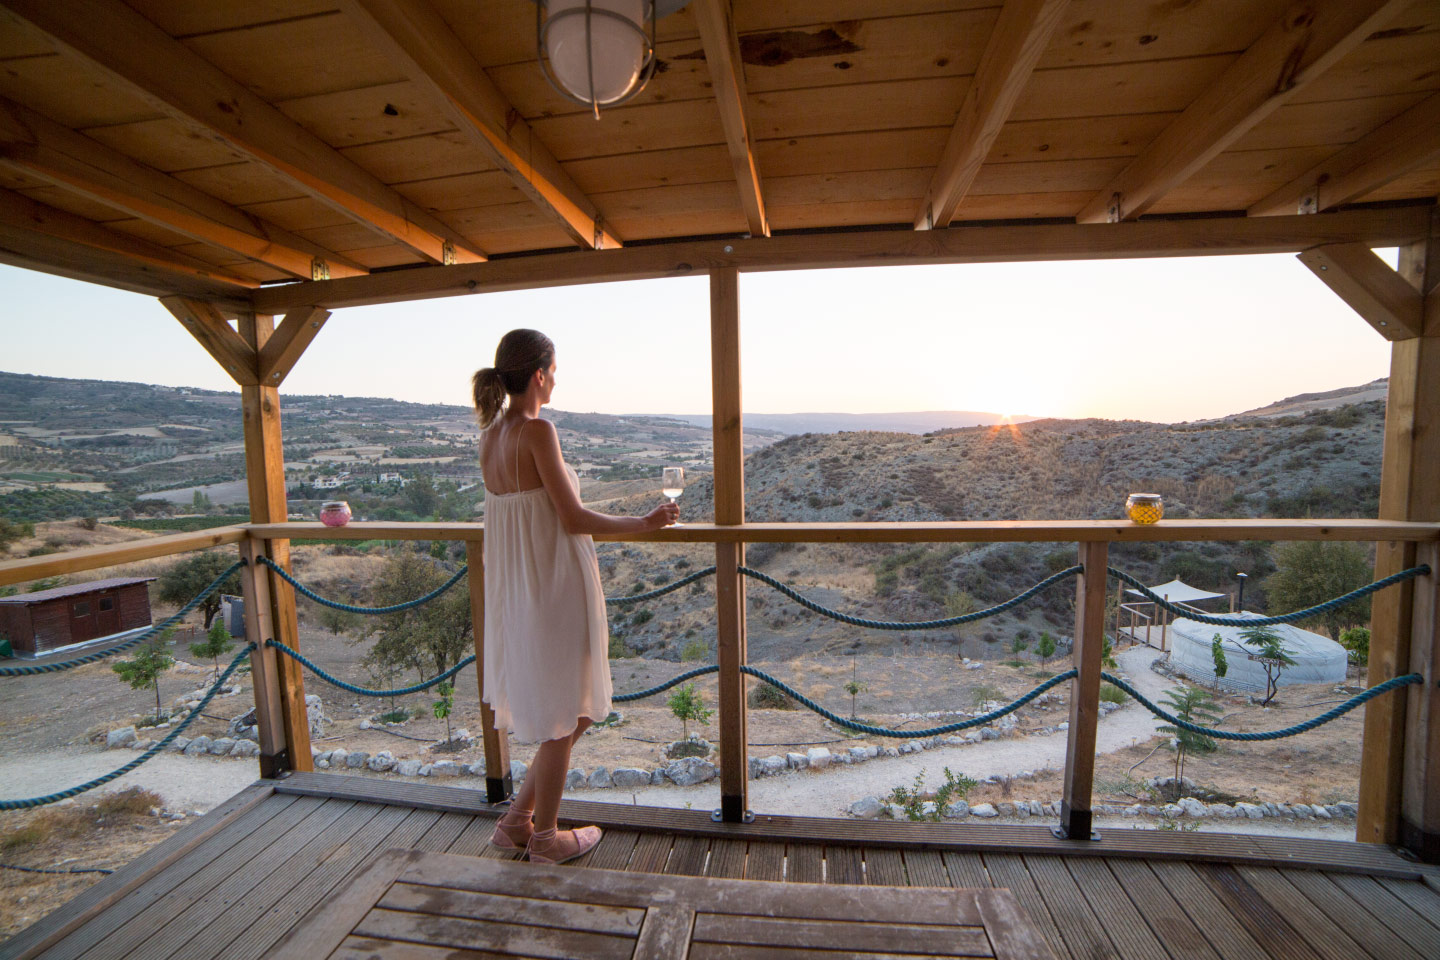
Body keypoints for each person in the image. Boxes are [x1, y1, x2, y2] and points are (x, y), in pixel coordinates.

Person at [472, 329, 678, 864]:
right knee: (567, 713)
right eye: (555, 369)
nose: (557, 378)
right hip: (554, 586)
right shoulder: (538, 431)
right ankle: (546, 839)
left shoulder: (491, 436)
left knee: (572, 708)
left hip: (522, 588)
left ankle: (516, 822)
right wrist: (646, 522)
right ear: (539, 374)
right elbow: (572, 517)